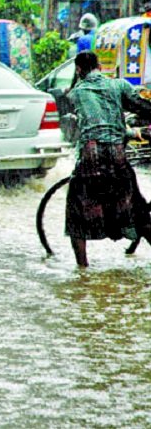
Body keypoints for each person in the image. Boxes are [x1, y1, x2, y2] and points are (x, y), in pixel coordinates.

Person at [65, 51, 151, 267]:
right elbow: (141, 107)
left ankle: (82, 269)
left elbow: (86, 124)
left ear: (78, 70)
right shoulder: (118, 86)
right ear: (100, 67)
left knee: (77, 213)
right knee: (136, 211)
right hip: (117, 157)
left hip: (89, 161)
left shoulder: (76, 93)